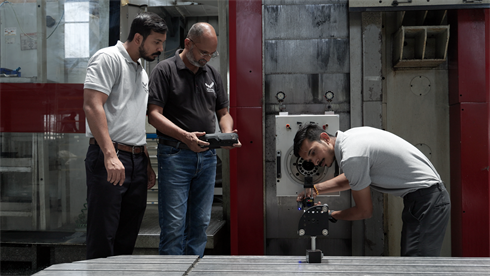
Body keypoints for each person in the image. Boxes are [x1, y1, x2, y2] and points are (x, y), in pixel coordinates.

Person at [148, 22, 241, 257]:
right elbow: (154, 115)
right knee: (174, 226)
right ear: (188, 43)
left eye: (212, 54)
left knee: (200, 224)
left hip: (207, 158)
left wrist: (227, 134)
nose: (207, 59)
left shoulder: (212, 75)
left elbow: (223, 113)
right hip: (175, 156)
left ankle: (193, 270)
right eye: (203, 52)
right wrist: (185, 136)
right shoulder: (164, 70)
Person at [83, 12, 167, 259]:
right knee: (103, 235)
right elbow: (92, 105)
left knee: (127, 235)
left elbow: (132, 120)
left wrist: (146, 163)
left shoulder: (141, 69)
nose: (161, 49)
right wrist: (109, 155)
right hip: (109, 156)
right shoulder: (107, 58)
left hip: (136, 160)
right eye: (156, 42)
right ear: (139, 38)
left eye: (162, 43)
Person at [294, 124, 451, 256]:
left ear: (325, 138)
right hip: (425, 198)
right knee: (413, 262)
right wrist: (315, 189)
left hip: (427, 201)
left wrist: (329, 214)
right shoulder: (352, 138)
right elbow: (353, 178)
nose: (314, 162)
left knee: (417, 268)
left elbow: (364, 211)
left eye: (313, 152)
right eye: (309, 161)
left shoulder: (352, 156)